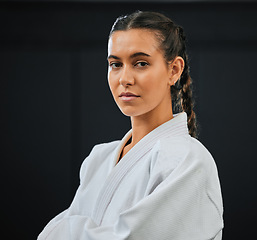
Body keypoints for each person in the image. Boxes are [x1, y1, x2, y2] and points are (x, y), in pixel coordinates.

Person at [38, 11, 223, 240]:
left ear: (174, 70)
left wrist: (65, 230)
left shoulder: (188, 159)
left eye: (141, 63)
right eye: (115, 64)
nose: (124, 78)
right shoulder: (98, 159)